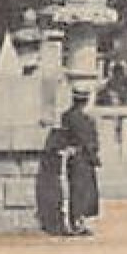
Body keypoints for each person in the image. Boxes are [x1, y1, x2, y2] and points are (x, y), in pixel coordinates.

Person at [37, 83, 101, 236]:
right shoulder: (82, 118)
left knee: (79, 190)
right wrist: (94, 156)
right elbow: (86, 139)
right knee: (80, 191)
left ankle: (77, 221)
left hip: (77, 156)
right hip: (82, 157)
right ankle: (77, 222)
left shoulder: (68, 116)